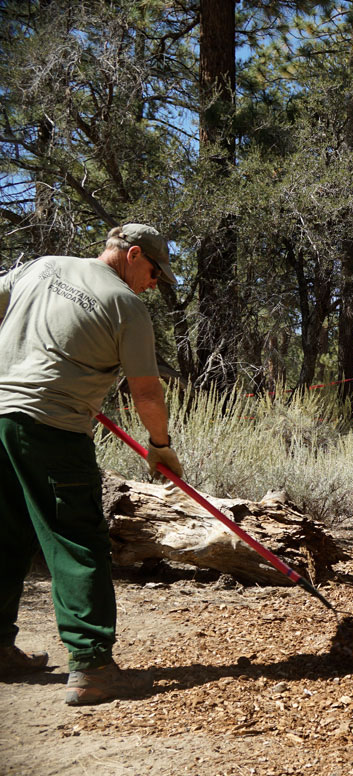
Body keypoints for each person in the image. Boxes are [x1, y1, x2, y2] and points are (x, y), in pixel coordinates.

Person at [0, 223, 182, 705]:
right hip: (53, 429)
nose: (153, 284)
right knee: (75, 539)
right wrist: (159, 446)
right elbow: (145, 391)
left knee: (6, 534)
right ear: (133, 255)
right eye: (153, 273)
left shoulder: (38, 268)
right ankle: (93, 665)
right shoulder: (126, 306)